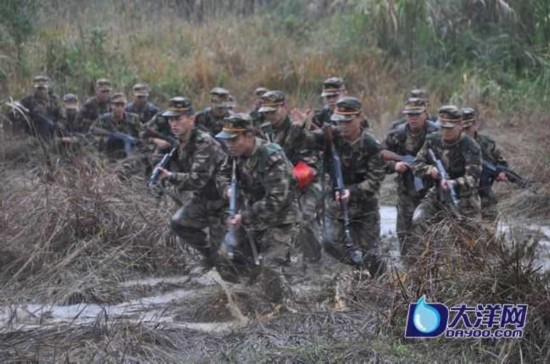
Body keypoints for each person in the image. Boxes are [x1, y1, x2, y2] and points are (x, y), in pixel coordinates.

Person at [290, 97, 386, 277]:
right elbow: (300, 142)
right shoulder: (330, 136)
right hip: (335, 203)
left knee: (371, 254)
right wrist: (299, 126)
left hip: (365, 206)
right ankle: (358, 267)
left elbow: (375, 180)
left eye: (348, 121)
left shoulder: (372, 145)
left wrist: (353, 191)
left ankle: (379, 281)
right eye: (339, 121)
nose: (343, 126)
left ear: (360, 117)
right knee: (330, 242)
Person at [215, 113, 299, 307]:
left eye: (234, 139)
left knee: (270, 267)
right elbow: (221, 175)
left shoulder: (272, 156)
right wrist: (227, 189)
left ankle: (284, 307)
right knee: (225, 257)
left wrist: (243, 216)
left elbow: (276, 200)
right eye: (227, 140)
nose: (229, 144)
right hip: (249, 218)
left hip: (280, 219)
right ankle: (245, 301)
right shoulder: (234, 154)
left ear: (249, 136)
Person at [156, 100, 228, 269]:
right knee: (179, 223)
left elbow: (197, 180)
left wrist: (171, 176)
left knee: (228, 261)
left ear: (192, 119)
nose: (173, 123)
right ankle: (210, 257)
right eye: (171, 119)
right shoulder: (181, 142)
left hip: (222, 200)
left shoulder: (204, 143)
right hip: (204, 198)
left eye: (178, 119)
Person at [409, 105, 482, 264]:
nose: (445, 132)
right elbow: (416, 165)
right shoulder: (432, 140)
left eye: (450, 128)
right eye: (442, 127)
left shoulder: (470, 145)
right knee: (419, 220)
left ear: (460, 125)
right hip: (437, 194)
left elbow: (473, 178)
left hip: (464, 198)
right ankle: (427, 262)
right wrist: (430, 170)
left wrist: (453, 183)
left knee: (469, 242)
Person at [259, 90, 323, 263]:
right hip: (279, 185)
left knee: (305, 220)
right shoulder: (264, 131)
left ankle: (314, 263)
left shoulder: (300, 127)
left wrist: (285, 176)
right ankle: (282, 263)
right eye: (266, 112)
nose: (269, 115)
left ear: (284, 107)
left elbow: (310, 165)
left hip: (307, 183)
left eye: (273, 111)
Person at [381, 98, 439, 259]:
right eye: (409, 114)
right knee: (405, 235)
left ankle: (430, 269)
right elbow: (377, 158)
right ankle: (410, 271)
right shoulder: (397, 135)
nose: (412, 118)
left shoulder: (436, 134)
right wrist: (395, 165)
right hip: (406, 192)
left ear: (425, 114)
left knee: (430, 235)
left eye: (416, 114)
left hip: (432, 193)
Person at [461, 107, 508, 223]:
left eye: (467, 128)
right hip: (462, 191)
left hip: (484, 189)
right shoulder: (454, 143)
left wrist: (501, 173)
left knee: (490, 217)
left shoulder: (487, 143)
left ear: (475, 124)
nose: (465, 131)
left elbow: (501, 162)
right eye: (462, 128)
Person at [90, 92, 141, 160]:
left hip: (129, 152)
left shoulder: (133, 118)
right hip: (108, 154)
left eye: (122, 105)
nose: (120, 108)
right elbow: (92, 133)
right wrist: (110, 137)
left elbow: (142, 134)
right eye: (117, 105)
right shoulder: (104, 119)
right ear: (111, 105)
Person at [19, 75, 62, 139]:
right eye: (39, 89)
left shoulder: (54, 100)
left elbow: (61, 116)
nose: (41, 91)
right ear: (34, 88)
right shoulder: (27, 100)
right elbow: (19, 112)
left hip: (51, 130)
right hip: (33, 129)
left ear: (47, 88)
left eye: (43, 88)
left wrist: (58, 125)